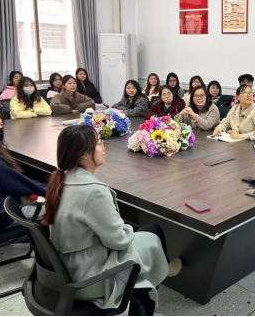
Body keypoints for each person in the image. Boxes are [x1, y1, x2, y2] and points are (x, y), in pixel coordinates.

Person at [42, 125, 181, 315]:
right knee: (152, 235)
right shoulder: (92, 191)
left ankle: (163, 266)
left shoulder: (60, 180)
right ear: (83, 154)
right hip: (88, 277)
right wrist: (126, 228)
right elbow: (119, 241)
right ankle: (162, 270)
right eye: (99, 143)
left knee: (150, 233)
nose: (103, 147)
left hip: (66, 268)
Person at [0, 110, 46, 231]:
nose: (0, 129)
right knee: (56, 208)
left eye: (1, 125)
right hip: (1, 215)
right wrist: (53, 190)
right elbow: (18, 183)